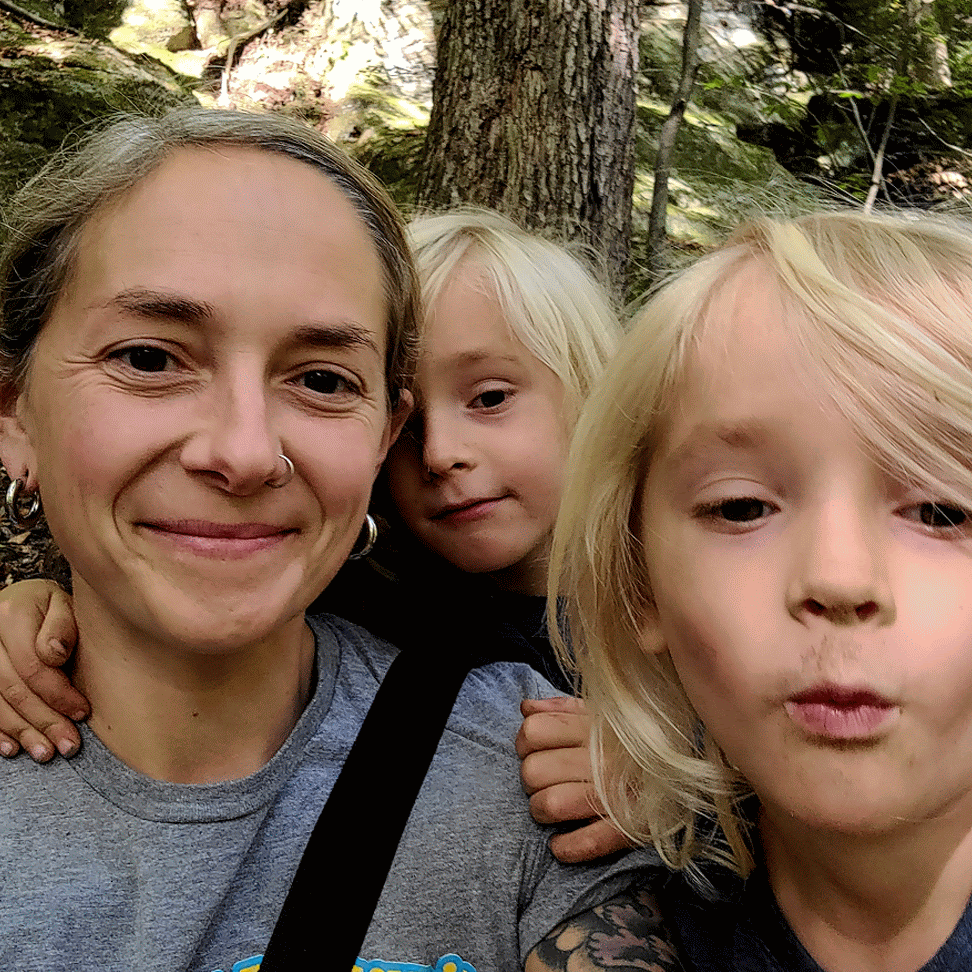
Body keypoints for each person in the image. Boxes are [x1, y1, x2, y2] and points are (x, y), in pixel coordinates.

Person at [0, 106, 647, 971]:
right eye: (150, 358)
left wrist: (685, 784)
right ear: (14, 411)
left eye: (322, 379)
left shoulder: (643, 648)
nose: (243, 453)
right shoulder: (386, 589)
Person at [529, 210, 972, 971]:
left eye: (942, 510)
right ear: (639, 581)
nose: (838, 579)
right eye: (740, 507)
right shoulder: (601, 929)